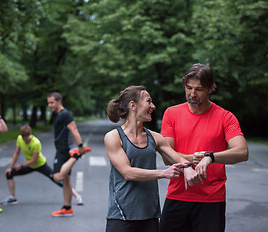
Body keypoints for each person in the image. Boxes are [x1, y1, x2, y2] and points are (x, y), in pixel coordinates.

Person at [159, 63, 249, 232]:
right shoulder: (171, 113)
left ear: (210, 88)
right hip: (177, 196)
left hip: (212, 200)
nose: (192, 94)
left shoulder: (225, 117)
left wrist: (211, 157)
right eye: (188, 88)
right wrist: (190, 160)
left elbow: (242, 152)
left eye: (199, 89)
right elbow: (166, 156)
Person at [104, 85, 199, 232]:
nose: (153, 106)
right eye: (149, 101)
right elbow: (128, 173)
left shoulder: (155, 137)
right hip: (121, 215)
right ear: (133, 105)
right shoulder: (113, 137)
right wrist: (163, 173)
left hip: (150, 215)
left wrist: (188, 167)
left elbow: (177, 158)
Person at [1, 124, 84, 205]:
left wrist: (21, 165)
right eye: (22, 136)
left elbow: (34, 160)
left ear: (29, 135)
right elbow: (16, 153)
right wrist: (10, 167)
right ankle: (12, 197)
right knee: (9, 173)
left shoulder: (36, 143)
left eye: (25, 137)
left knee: (57, 179)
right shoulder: (20, 139)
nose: (23, 139)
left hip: (40, 165)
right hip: (28, 165)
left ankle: (77, 196)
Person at [47, 92, 90, 217]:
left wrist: (80, 146)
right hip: (62, 149)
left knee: (58, 177)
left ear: (59, 101)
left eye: (52, 102)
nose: (49, 105)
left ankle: (76, 155)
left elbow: (74, 129)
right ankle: (67, 207)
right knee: (66, 180)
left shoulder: (65, 114)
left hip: (63, 150)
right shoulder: (61, 114)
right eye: (48, 102)